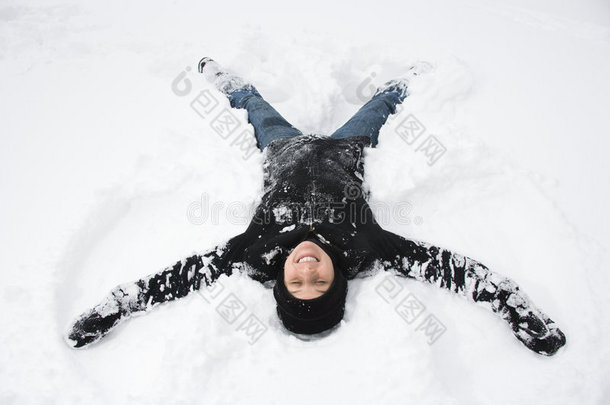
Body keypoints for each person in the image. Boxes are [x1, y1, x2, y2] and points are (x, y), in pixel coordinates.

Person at [65, 57, 567, 356]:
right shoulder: (369, 248)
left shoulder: (253, 253)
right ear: (339, 279)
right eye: (320, 281)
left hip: (282, 148)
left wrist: (112, 309)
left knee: (255, 108)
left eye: (296, 282)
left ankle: (226, 79)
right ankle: (405, 81)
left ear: (280, 280)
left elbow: (176, 278)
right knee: (377, 109)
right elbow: (452, 270)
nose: (307, 268)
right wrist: (513, 307)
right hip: (346, 148)